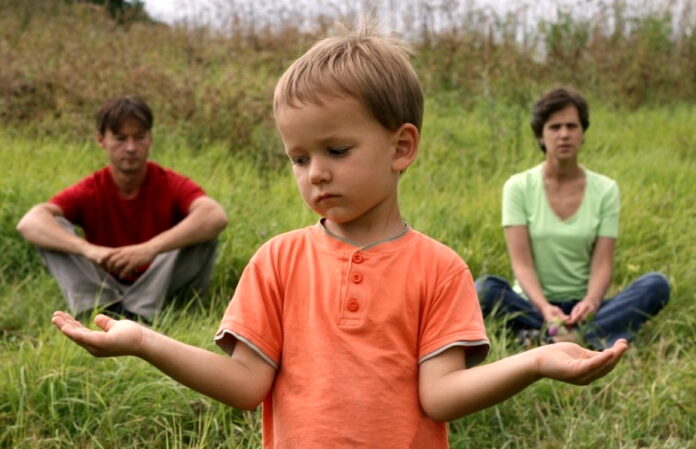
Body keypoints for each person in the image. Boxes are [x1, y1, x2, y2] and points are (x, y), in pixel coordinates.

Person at [52, 27, 628, 449]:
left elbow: (440, 397)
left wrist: (536, 362)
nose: (315, 173)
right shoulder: (278, 260)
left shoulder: (439, 269)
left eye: (336, 150)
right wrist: (143, 342)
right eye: (298, 158)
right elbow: (246, 384)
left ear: (401, 147)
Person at [476, 87, 670, 349]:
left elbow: (603, 263)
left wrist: (590, 303)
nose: (564, 134)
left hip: (583, 307)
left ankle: (556, 337)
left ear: (582, 133)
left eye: (572, 126)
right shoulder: (518, 187)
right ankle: (583, 336)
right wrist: (545, 308)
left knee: (656, 285)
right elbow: (521, 265)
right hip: (534, 304)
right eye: (555, 127)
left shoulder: (605, 189)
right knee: (484, 289)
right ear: (541, 136)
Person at [18, 96, 228, 322]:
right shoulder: (92, 188)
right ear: (102, 140)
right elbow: (29, 222)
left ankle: (142, 313)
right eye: (120, 139)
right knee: (52, 227)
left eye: (139, 138)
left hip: (159, 285)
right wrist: (90, 250)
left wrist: (149, 249)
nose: (130, 148)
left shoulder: (168, 182)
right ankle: (101, 308)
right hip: (105, 283)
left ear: (150, 139)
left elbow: (215, 215)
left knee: (201, 228)